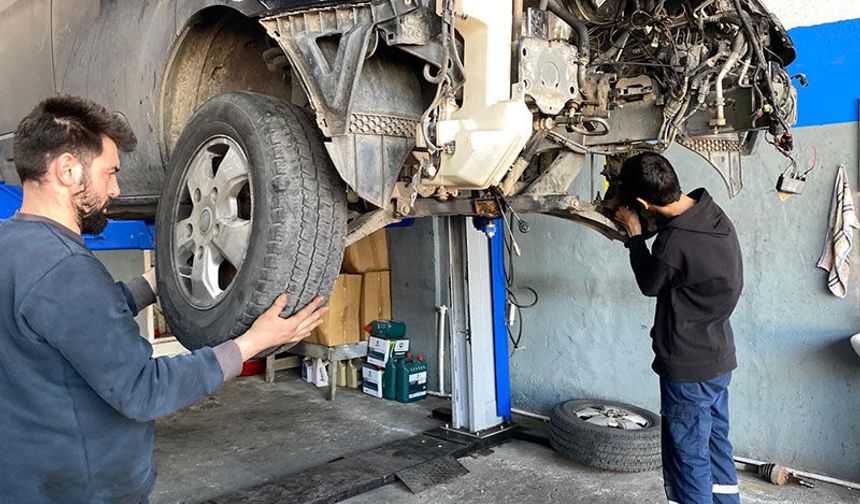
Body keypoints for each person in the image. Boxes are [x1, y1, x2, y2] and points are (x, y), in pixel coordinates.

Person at [0, 96, 329, 503]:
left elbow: (72, 326)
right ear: (68, 170)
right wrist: (250, 344)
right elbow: (144, 390)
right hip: (86, 490)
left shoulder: (10, 244)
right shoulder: (66, 270)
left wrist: (156, 284)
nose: (116, 190)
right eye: (110, 173)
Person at [614, 153, 744, 504]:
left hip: (688, 370)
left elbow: (649, 283)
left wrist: (635, 236)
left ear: (642, 203)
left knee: (687, 460)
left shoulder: (674, 244)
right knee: (716, 446)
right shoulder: (712, 213)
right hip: (719, 359)